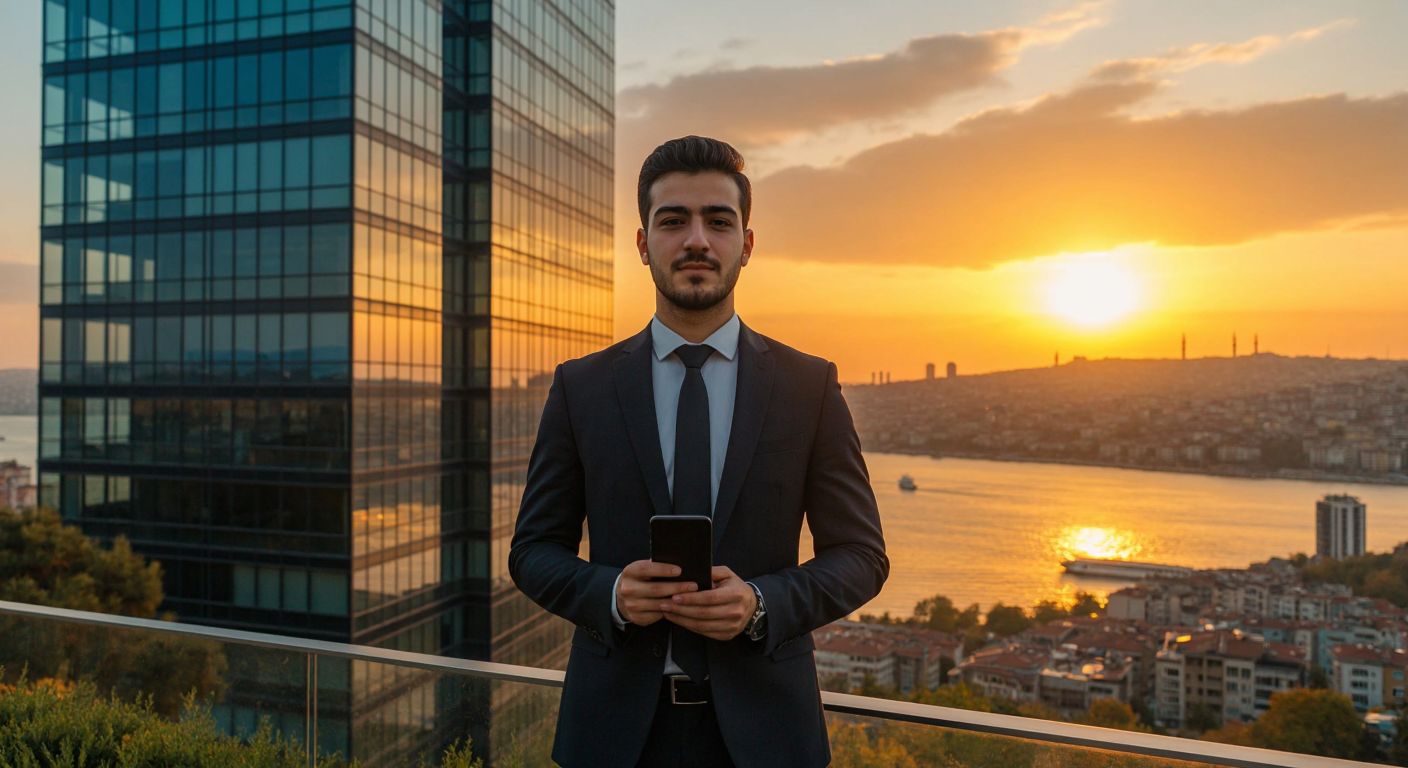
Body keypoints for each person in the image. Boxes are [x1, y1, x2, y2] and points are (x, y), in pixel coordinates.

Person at [509, 135, 888, 768]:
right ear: (642, 243)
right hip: (611, 737)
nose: (696, 241)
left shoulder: (808, 386)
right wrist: (609, 594)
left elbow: (861, 555)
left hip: (769, 735)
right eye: (673, 220)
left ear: (746, 243)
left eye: (718, 221)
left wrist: (762, 604)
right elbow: (532, 552)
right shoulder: (582, 387)